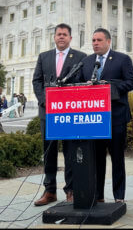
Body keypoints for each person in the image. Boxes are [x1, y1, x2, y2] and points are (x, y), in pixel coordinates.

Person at [79, 28, 133, 203]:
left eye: (99, 40)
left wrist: (109, 87)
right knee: (97, 160)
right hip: (95, 118)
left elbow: (132, 82)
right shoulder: (86, 61)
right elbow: (79, 83)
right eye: (93, 40)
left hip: (116, 117)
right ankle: (98, 196)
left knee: (117, 158)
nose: (95, 43)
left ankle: (119, 196)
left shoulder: (122, 59)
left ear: (108, 41)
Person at [32, 23, 86, 206]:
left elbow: (84, 83)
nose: (61, 37)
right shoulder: (44, 57)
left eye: (64, 34)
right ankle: (50, 191)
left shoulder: (80, 57)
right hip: (48, 113)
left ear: (71, 37)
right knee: (49, 152)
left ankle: (70, 190)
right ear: (54, 37)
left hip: (69, 114)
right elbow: (37, 81)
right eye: (58, 34)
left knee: (70, 152)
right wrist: (44, 101)